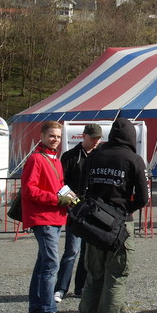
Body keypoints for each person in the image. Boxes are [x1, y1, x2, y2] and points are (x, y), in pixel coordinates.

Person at [73, 118, 149, 313]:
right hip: (120, 226)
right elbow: (143, 198)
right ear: (131, 136)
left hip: (94, 225)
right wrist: (124, 211)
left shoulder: (94, 156)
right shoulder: (134, 160)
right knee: (115, 279)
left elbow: (82, 190)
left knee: (93, 277)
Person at [22, 120, 73, 313]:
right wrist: (57, 199)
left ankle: (37, 307)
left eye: (58, 137)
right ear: (42, 136)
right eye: (52, 136)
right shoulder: (36, 159)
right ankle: (47, 312)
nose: (55, 140)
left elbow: (58, 186)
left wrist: (69, 197)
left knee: (43, 262)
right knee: (51, 264)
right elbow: (29, 190)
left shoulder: (55, 160)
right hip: (43, 217)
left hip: (54, 216)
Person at [54, 123, 103, 303]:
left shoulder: (100, 156)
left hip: (92, 210)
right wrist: (73, 203)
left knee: (86, 251)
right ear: (84, 136)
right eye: (93, 138)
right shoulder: (70, 156)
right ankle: (60, 288)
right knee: (72, 250)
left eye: (98, 138)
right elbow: (61, 183)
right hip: (75, 210)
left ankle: (80, 287)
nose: (96, 141)